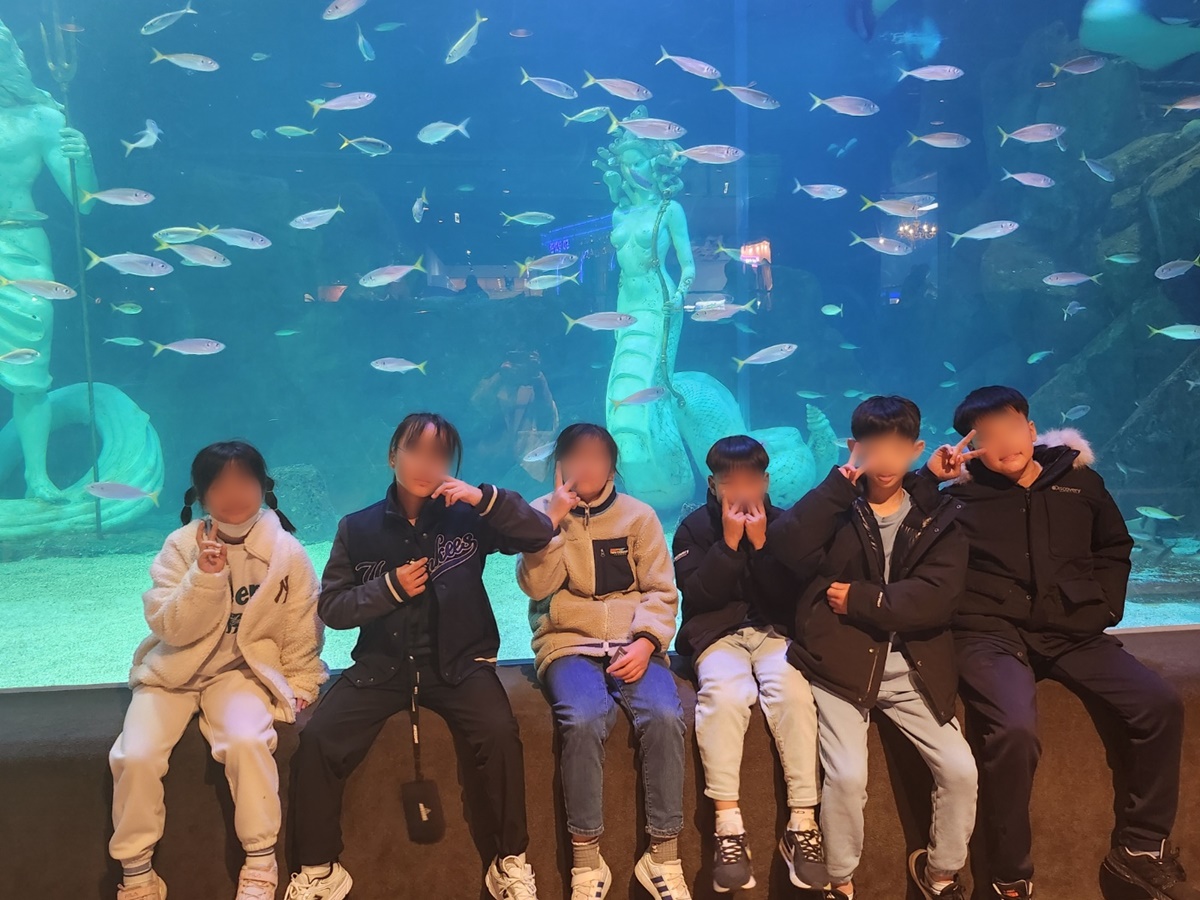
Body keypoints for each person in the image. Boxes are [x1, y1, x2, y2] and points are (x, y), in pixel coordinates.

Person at [925, 386, 1194, 900]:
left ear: (1031, 430)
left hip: (1072, 629)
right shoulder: (957, 496)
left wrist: (1106, 608)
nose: (1004, 442)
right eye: (986, 436)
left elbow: (1113, 544)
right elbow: (901, 531)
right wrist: (928, 478)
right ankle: (1009, 875)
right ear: (972, 448)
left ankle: (1141, 849)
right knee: (1014, 732)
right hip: (988, 632)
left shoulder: (1079, 481)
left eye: (1011, 428)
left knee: (1159, 703)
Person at [286, 413, 554, 900]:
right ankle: (318, 869)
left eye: (439, 455)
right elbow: (333, 608)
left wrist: (482, 497)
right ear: (393, 456)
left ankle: (511, 861)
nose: (426, 464)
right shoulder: (357, 528)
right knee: (319, 740)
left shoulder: (467, 515)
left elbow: (538, 533)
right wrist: (388, 588)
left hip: (461, 665)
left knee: (500, 734)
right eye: (416, 451)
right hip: (381, 668)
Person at [769, 396, 978, 900]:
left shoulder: (937, 514)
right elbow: (785, 548)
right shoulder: (836, 507)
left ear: (916, 449)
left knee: (960, 770)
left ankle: (941, 875)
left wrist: (863, 600)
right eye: (874, 447)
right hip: (842, 666)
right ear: (854, 446)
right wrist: (835, 487)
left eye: (898, 448)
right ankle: (839, 880)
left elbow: (939, 596)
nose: (886, 459)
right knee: (846, 777)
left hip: (913, 666)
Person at [108, 441, 327, 900]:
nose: (233, 494)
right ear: (201, 494)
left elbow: (302, 624)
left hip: (239, 673)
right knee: (136, 755)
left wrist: (302, 680)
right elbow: (168, 626)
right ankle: (137, 871)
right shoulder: (180, 546)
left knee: (248, 741)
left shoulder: (286, 553)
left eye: (243, 481)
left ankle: (260, 864)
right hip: (172, 672)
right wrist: (205, 579)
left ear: (263, 487)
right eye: (219, 484)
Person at [516, 423, 690, 900]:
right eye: (576, 457)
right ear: (559, 464)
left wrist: (647, 642)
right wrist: (551, 524)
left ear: (612, 465)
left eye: (596, 457)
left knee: (665, 714)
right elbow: (536, 586)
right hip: (568, 642)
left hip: (633, 642)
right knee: (583, 716)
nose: (586, 467)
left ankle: (663, 856)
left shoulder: (639, 516)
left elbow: (661, 591)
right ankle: (586, 860)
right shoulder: (538, 513)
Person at [672, 434, 826, 893]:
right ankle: (728, 827)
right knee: (723, 696)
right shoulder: (692, 529)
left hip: (774, 632)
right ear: (712, 484)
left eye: (751, 481)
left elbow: (790, 599)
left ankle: (803, 823)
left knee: (794, 694)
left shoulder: (783, 524)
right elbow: (699, 596)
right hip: (716, 636)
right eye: (729, 481)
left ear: (766, 481)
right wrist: (728, 544)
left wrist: (761, 546)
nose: (741, 491)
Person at [0, 19, 99, 501]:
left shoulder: (42, 118)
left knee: (29, 374)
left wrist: (84, 157)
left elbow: (84, 201)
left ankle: (36, 477)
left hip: (18, 245)